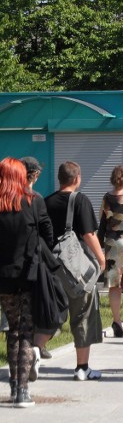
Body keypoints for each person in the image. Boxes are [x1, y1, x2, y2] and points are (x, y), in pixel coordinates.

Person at [45, 161, 106, 381]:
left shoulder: (47, 201)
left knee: (52, 313)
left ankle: (34, 351)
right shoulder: (80, 200)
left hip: (52, 266)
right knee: (83, 314)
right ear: (77, 178)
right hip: (75, 268)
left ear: (60, 179)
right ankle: (82, 367)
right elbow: (89, 234)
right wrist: (101, 259)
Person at [0, 157, 53, 407]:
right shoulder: (33, 201)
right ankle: (22, 391)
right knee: (25, 332)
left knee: (12, 329)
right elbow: (48, 234)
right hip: (28, 274)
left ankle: (13, 385)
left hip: (3, 277)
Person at [21, 157, 55, 362]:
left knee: (17, 316)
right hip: (33, 260)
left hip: (12, 264)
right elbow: (47, 230)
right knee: (39, 304)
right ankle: (35, 346)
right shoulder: (35, 198)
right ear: (35, 175)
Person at [98, 166, 123, 337]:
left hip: (111, 243)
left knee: (114, 286)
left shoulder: (106, 198)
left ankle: (117, 321)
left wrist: (100, 246)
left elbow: (102, 222)